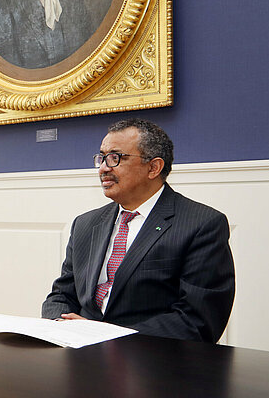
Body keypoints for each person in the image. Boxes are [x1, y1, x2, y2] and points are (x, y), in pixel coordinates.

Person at [41, 119, 235, 342]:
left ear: (153, 167)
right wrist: (60, 325)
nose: (104, 167)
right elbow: (61, 295)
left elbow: (198, 321)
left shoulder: (202, 225)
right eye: (101, 158)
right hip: (80, 356)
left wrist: (106, 337)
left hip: (152, 363)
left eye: (115, 158)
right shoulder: (86, 224)